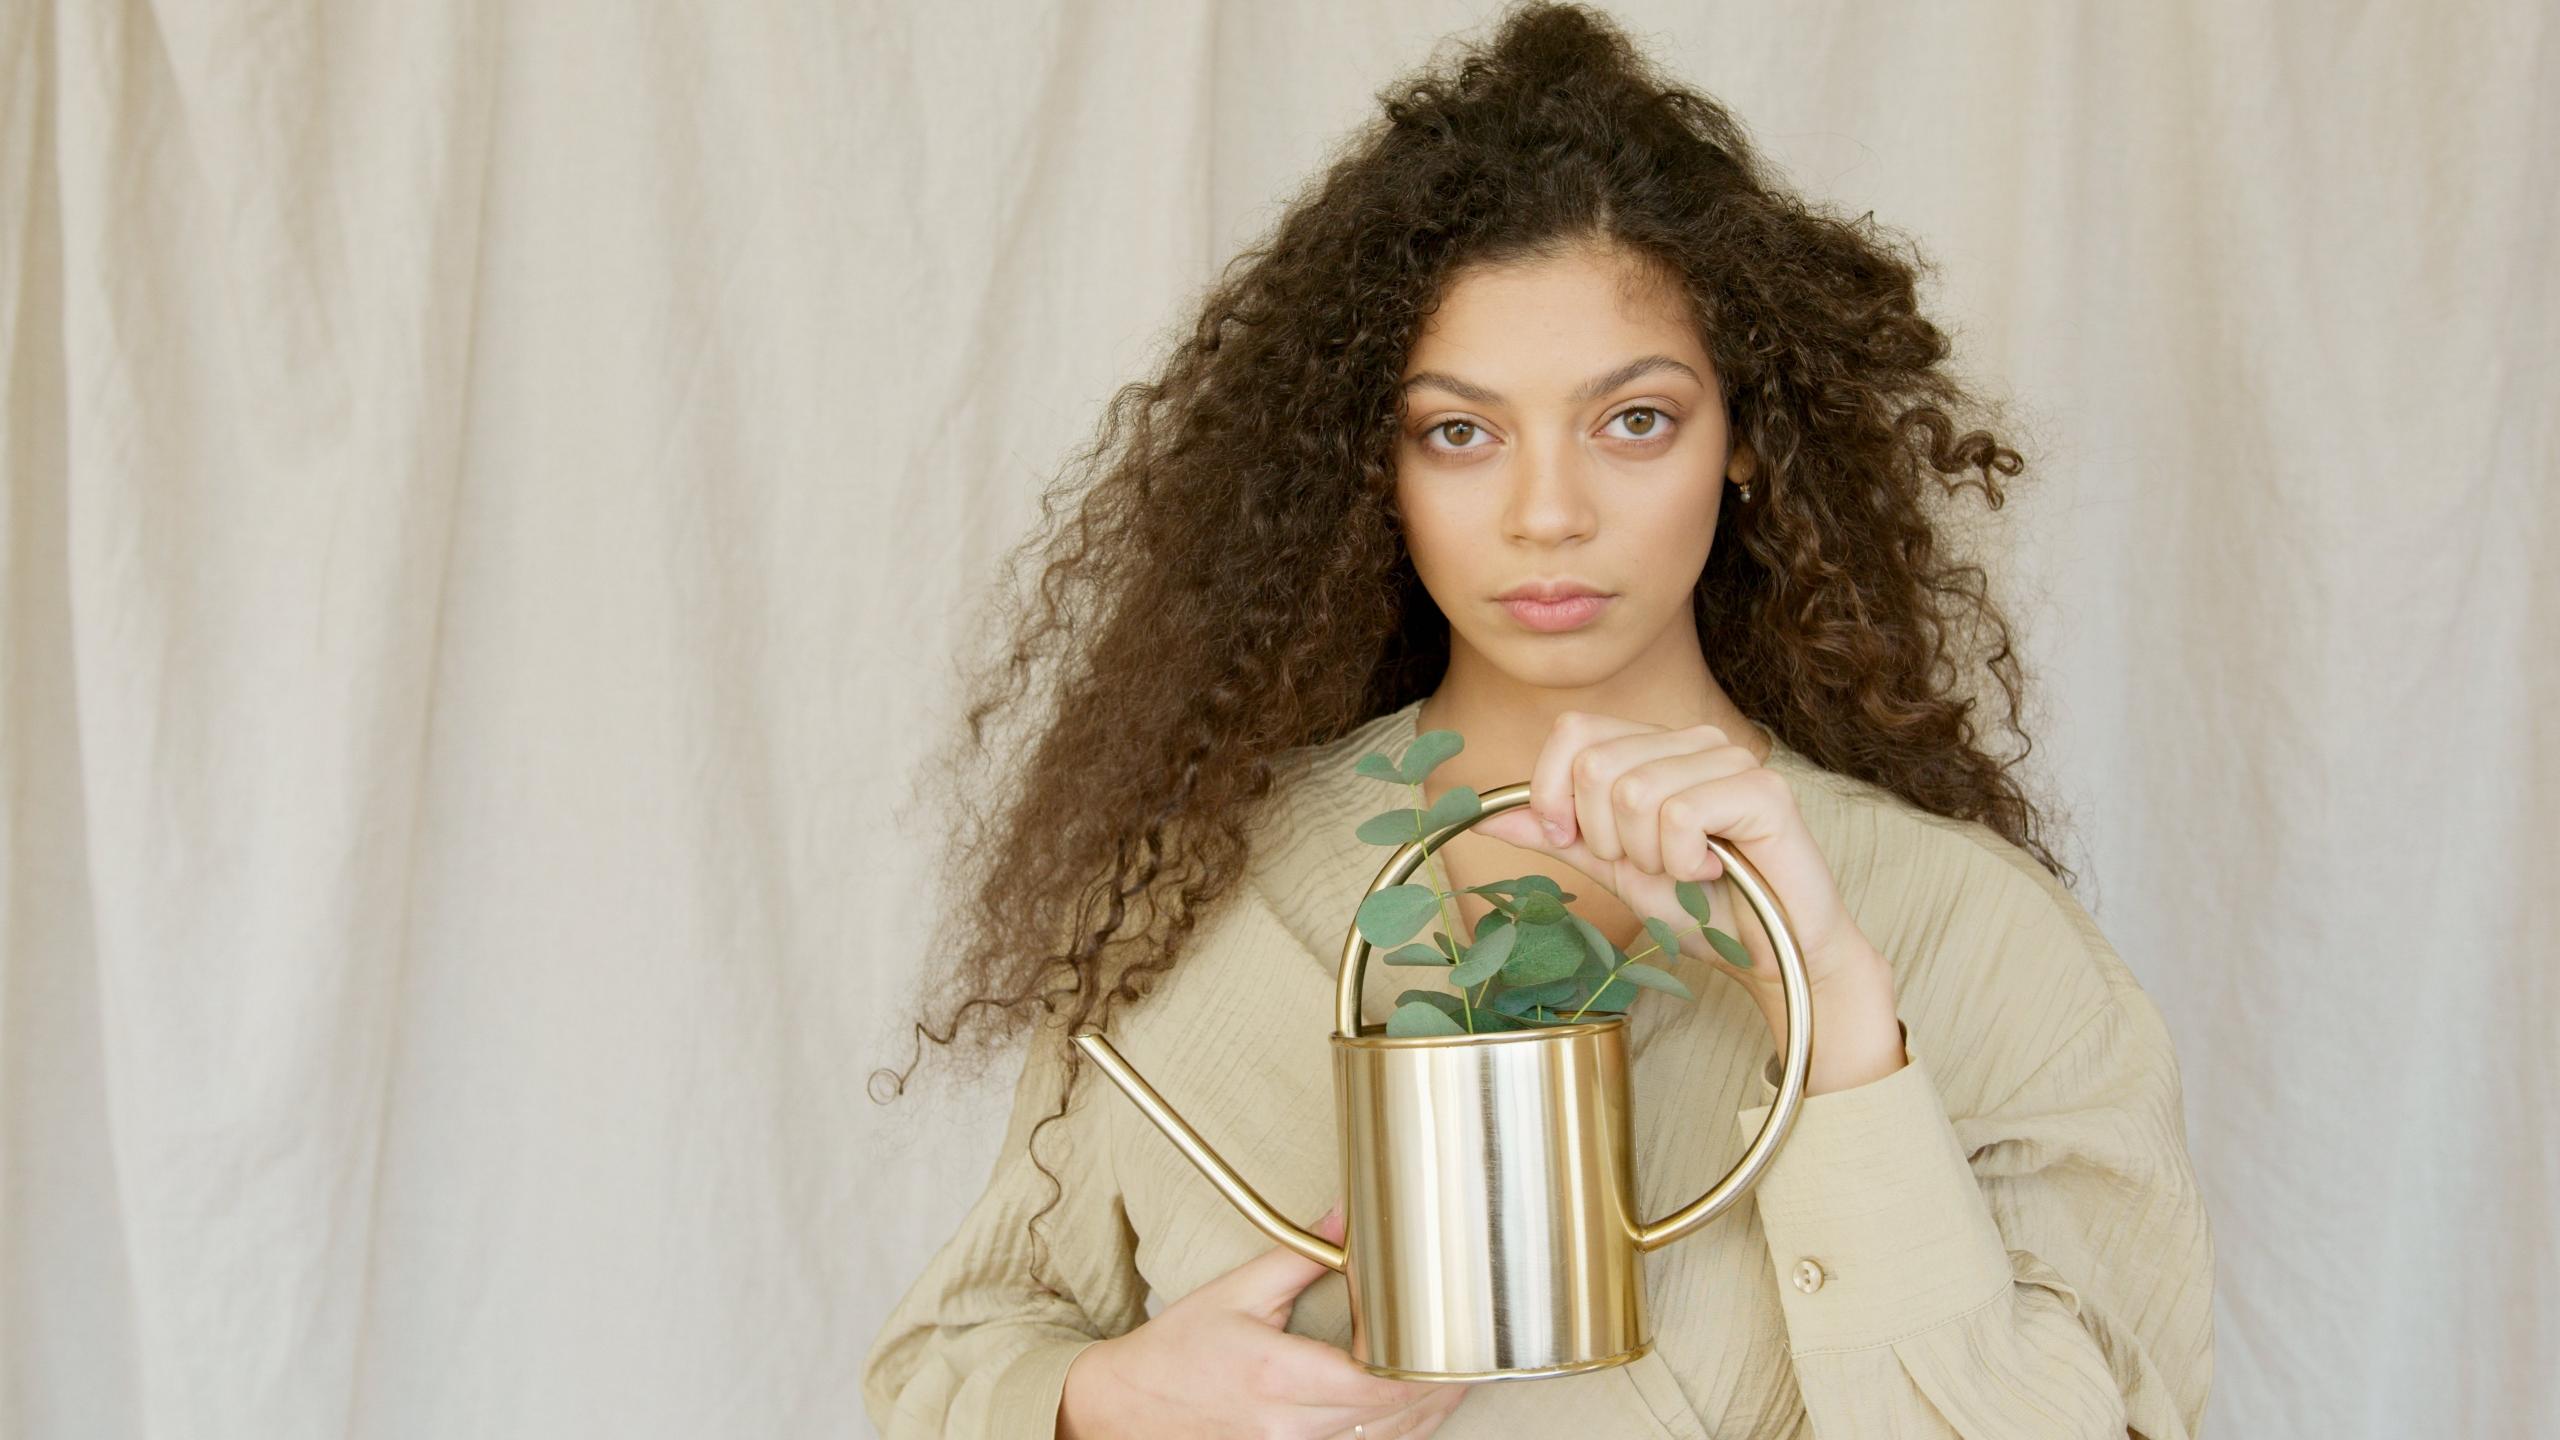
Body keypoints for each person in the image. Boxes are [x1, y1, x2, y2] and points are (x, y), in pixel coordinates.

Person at [859, 4, 2215, 1436]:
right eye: (1461, 431)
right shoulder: (1192, 889)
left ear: (1747, 438)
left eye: (1635, 420)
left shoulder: (1978, 941)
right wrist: (1096, 1398)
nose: (1548, 513)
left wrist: (1836, 1023)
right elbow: (948, 1358)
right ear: (1367, 468)